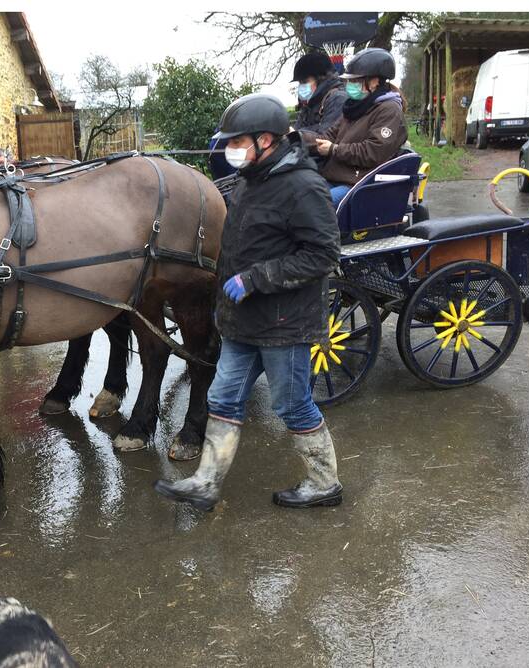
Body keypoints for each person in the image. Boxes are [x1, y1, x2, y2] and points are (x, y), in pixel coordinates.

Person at [154, 94, 343, 512]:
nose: (230, 150)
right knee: (223, 397)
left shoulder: (304, 188)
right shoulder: (250, 182)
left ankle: (324, 482)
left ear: (266, 140)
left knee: (291, 404)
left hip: (283, 322)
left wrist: (257, 278)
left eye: (237, 142)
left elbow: (324, 255)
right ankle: (205, 481)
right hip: (242, 321)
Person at [301, 47, 408, 207]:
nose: (349, 84)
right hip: (335, 178)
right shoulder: (354, 108)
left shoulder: (389, 110)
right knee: (297, 197)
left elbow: (374, 151)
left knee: (314, 207)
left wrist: (335, 149)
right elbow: (327, 137)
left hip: (359, 184)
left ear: (374, 81)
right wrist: (295, 137)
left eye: (355, 80)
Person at [292, 51, 347, 135]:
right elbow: (296, 130)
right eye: (300, 82)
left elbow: (327, 136)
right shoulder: (309, 104)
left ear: (321, 79)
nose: (301, 86)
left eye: (304, 81)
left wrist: (297, 134)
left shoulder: (338, 98)